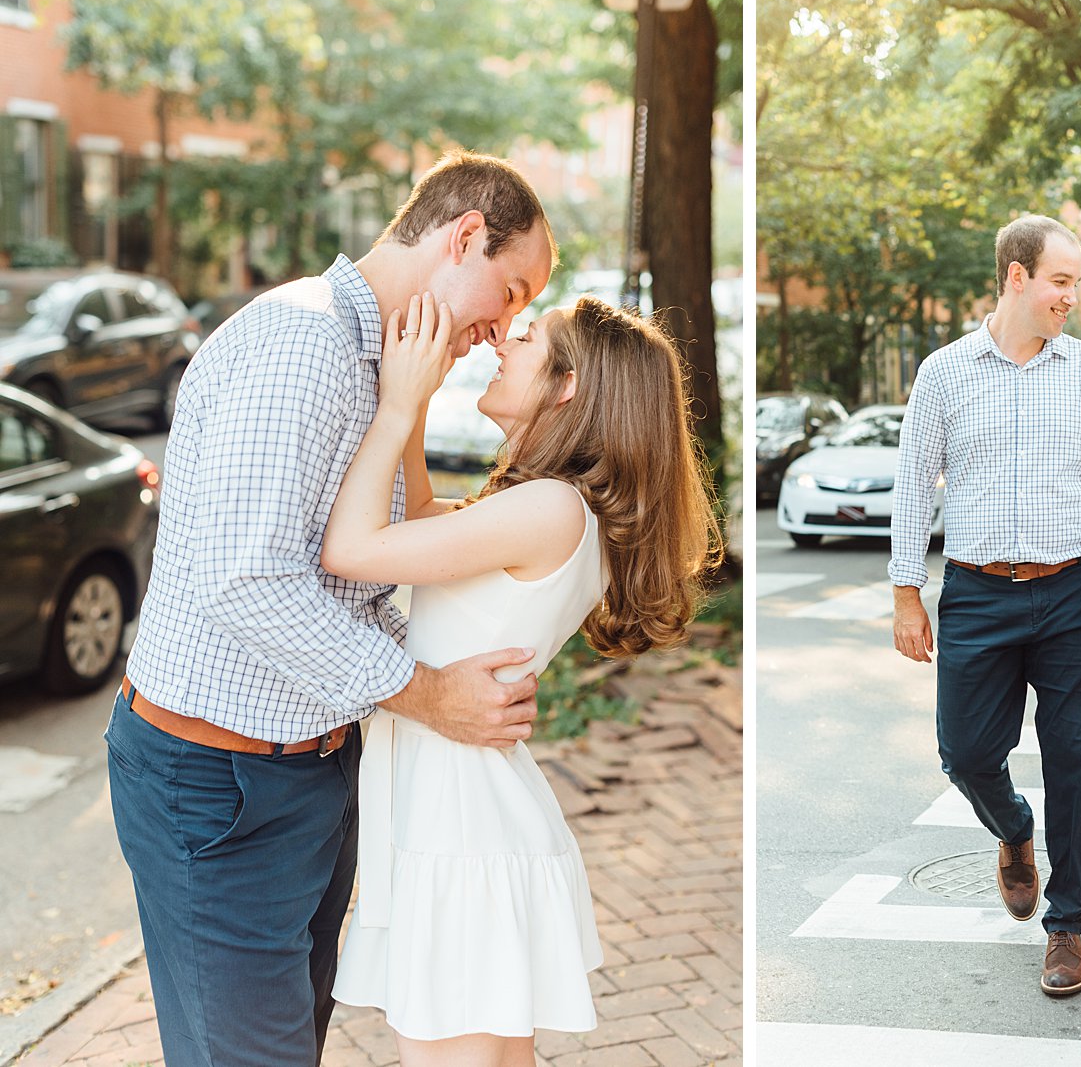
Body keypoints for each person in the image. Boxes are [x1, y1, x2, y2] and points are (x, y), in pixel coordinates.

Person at [105, 151, 557, 1066]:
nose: (504, 325)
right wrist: (427, 694)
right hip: (215, 785)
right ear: (463, 236)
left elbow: (369, 568)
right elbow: (251, 582)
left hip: (309, 777)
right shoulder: (300, 345)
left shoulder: (386, 366)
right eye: (510, 291)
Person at [324, 292, 718, 1065]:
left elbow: (353, 548)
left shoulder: (549, 509)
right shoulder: (553, 509)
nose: (503, 341)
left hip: (460, 829)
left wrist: (399, 404)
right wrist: (422, 397)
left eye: (529, 336)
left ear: (567, 385)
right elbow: (425, 513)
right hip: (462, 814)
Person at [890, 214, 1081, 997]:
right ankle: (1013, 830)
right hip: (977, 594)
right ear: (1016, 277)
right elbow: (911, 486)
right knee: (964, 754)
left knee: (1076, 763)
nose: (1074, 295)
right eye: (1063, 280)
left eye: (1076, 280)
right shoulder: (944, 372)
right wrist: (907, 594)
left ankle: (1066, 926)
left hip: (1072, 594)